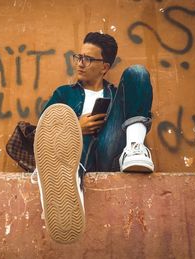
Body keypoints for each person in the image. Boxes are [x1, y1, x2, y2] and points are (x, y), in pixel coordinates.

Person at [32, 32, 154, 244]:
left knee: (137, 73)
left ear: (104, 67)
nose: (80, 63)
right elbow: (44, 135)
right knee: (72, 130)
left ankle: (135, 147)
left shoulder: (118, 96)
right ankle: (68, 180)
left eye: (87, 59)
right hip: (76, 157)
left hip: (109, 154)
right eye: (78, 57)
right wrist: (77, 127)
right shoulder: (64, 94)